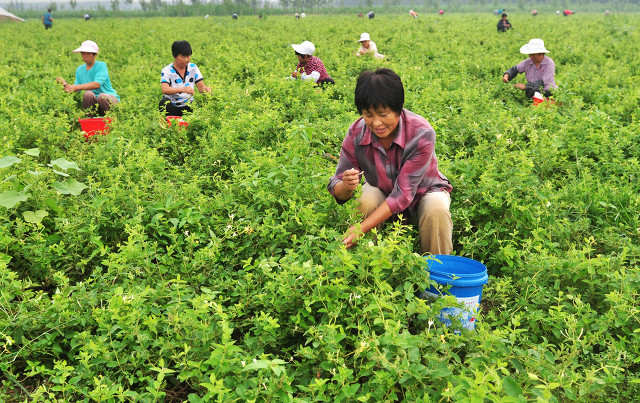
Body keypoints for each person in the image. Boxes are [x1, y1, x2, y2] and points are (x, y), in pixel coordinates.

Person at [327, 68, 453, 255]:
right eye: (368, 115)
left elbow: (402, 195)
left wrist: (360, 229)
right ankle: (366, 262)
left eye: (383, 114)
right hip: (383, 192)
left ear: (398, 109)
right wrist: (346, 185)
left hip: (423, 195)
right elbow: (338, 189)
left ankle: (435, 274)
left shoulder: (421, 133)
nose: (376, 123)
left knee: (436, 208)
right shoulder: (356, 132)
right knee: (366, 199)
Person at [56, 40, 120, 117]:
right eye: (83, 53)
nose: (85, 56)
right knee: (88, 94)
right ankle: (91, 120)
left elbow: (96, 84)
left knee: (102, 96)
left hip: (108, 100)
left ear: (95, 54)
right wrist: (66, 85)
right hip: (94, 103)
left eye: (88, 53)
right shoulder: (80, 69)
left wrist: (74, 87)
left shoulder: (101, 66)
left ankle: (112, 119)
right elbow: (76, 90)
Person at [159, 40, 211, 117]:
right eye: (183, 57)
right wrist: (182, 89)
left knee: (205, 102)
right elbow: (165, 89)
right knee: (164, 102)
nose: (186, 59)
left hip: (188, 105)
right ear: (174, 56)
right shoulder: (167, 70)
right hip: (173, 106)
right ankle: (170, 121)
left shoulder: (193, 67)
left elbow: (201, 88)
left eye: (188, 56)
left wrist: (206, 90)